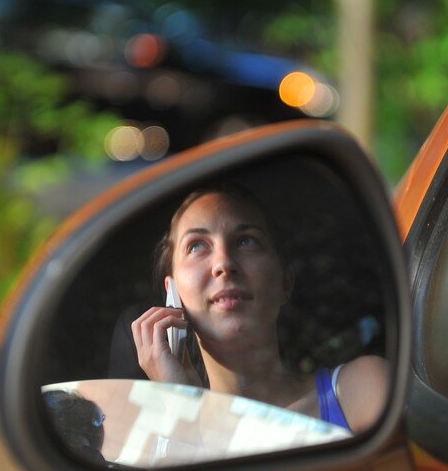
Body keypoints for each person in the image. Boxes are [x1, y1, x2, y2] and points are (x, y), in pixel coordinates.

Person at [130, 184, 387, 433]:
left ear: (286, 282)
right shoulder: (166, 439)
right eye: (196, 246)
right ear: (173, 294)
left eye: (246, 241)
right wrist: (184, 408)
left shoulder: (361, 390)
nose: (224, 263)